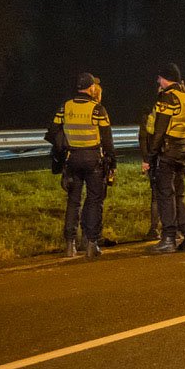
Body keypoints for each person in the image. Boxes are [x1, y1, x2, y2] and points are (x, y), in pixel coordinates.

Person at [46, 72, 115, 259]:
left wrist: (65, 146)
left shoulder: (65, 107)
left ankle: (70, 245)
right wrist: (112, 162)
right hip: (93, 158)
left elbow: (52, 131)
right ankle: (92, 244)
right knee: (93, 199)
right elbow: (107, 140)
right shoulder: (98, 109)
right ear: (91, 88)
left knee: (73, 201)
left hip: (72, 158)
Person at [142, 63, 185, 253]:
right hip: (183, 148)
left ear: (165, 78)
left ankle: (168, 238)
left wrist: (150, 157)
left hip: (167, 151)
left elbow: (159, 131)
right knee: (179, 195)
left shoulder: (167, 98)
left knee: (165, 195)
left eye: (159, 78)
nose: (158, 81)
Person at [136, 104, 160, 241]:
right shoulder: (173, 113)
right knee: (172, 194)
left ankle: (154, 229)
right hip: (171, 157)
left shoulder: (148, 118)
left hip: (154, 160)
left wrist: (146, 159)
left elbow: (143, 139)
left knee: (156, 196)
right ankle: (174, 228)